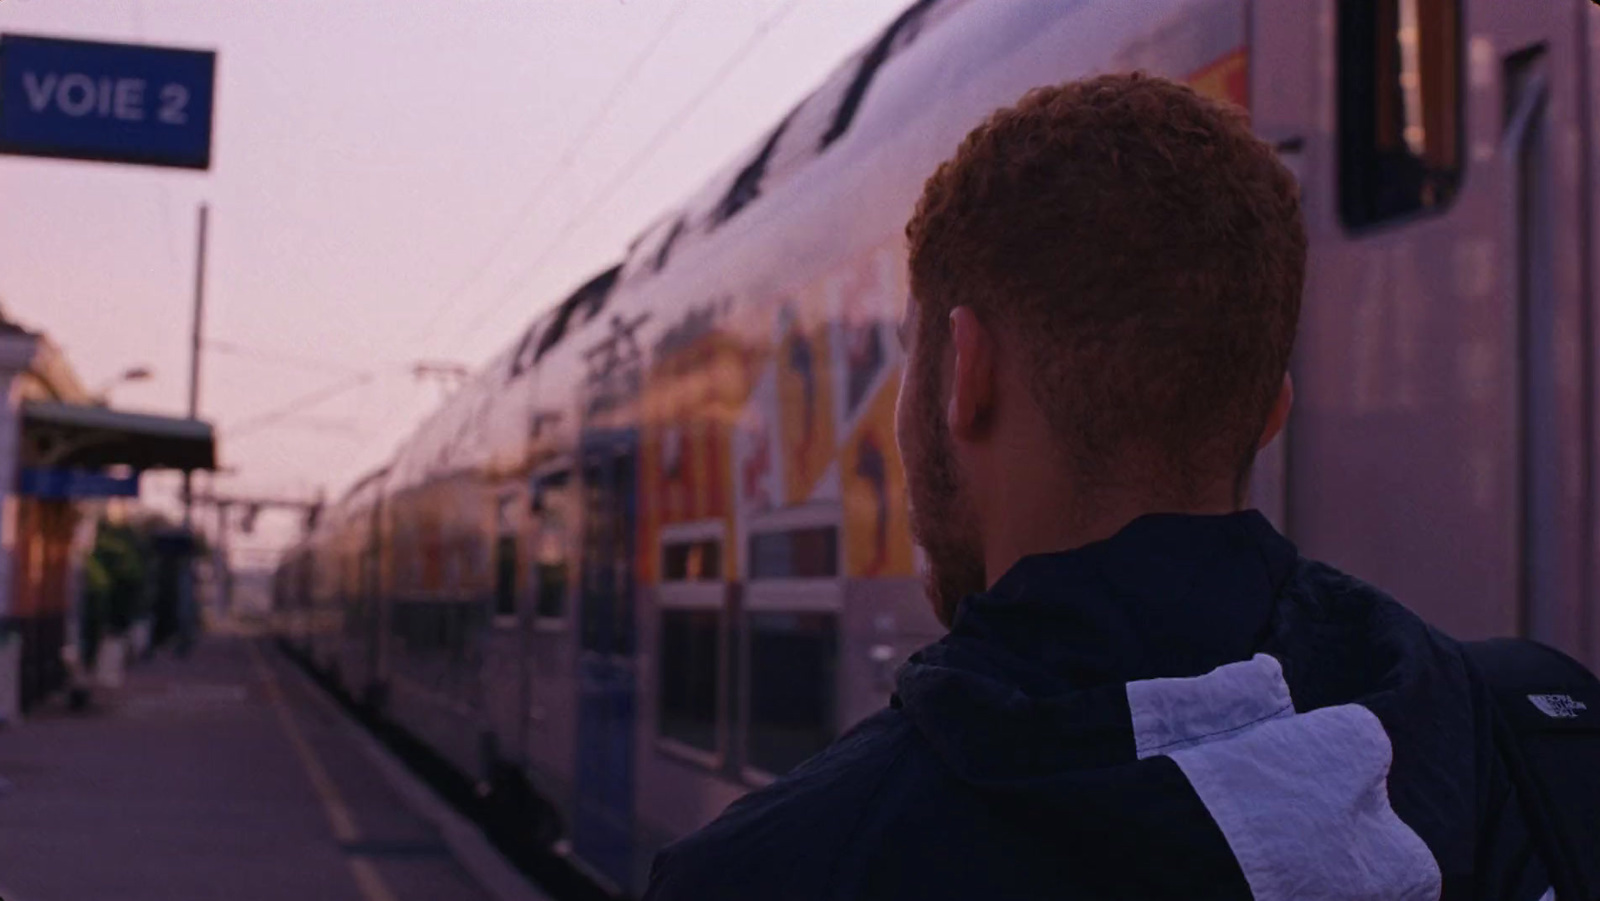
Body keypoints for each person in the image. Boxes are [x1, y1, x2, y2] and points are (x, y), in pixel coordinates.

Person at [643, 73, 1577, 900]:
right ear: (1270, 411)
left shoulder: (766, 871)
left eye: (908, 361)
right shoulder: (1534, 746)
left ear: (967, 373)